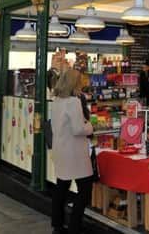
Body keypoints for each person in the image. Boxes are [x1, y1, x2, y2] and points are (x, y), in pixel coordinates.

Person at [51, 69, 93, 234]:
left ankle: (57, 225)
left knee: (61, 188)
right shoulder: (73, 102)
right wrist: (90, 126)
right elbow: (78, 129)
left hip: (61, 149)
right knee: (84, 190)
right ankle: (75, 226)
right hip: (74, 152)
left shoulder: (56, 101)